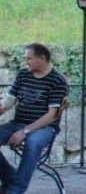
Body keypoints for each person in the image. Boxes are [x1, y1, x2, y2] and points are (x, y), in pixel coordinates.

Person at [0, 43, 68, 194]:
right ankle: (9, 176)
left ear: (42, 58)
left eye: (29, 58)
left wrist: (24, 131)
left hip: (45, 127)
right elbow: (10, 99)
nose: (26, 61)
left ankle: (15, 190)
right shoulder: (23, 74)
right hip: (17, 123)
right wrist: (2, 105)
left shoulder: (57, 80)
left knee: (32, 143)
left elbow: (52, 115)